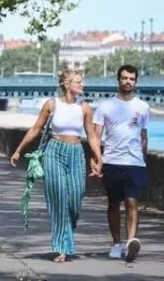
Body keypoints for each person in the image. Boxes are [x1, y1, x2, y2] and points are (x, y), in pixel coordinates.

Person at [10, 69, 103, 262]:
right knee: (58, 198)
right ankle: (62, 247)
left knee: (76, 199)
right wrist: (19, 150)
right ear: (67, 84)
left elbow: (91, 135)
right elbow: (36, 129)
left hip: (76, 153)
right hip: (54, 152)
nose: (82, 85)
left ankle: (66, 238)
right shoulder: (51, 105)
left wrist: (98, 157)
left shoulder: (84, 107)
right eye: (78, 82)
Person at [92, 64, 150, 262]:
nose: (128, 82)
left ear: (136, 82)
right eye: (125, 78)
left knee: (132, 201)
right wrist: (97, 159)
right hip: (112, 161)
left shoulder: (143, 107)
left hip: (134, 163)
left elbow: (143, 135)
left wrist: (143, 156)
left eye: (132, 79)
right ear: (118, 80)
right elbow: (96, 135)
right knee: (114, 204)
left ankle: (131, 241)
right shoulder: (105, 106)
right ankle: (117, 243)